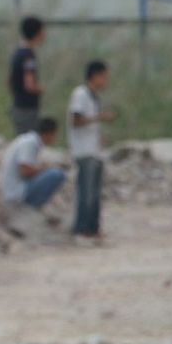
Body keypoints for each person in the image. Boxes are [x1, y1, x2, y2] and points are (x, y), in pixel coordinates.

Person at [68, 59, 114, 241]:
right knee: (86, 193)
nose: (105, 81)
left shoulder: (93, 96)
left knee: (94, 194)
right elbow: (76, 120)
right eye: (103, 77)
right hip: (84, 151)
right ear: (95, 76)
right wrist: (99, 118)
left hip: (94, 150)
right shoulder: (80, 94)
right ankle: (81, 230)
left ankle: (93, 229)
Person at [0, 116, 66, 218]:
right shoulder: (30, 143)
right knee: (56, 174)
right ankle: (31, 209)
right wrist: (43, 170)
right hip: (16, 192)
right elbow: (24, 170)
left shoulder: (29, 140)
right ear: (49, 133)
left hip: (13, 189)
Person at [8, 16, 46, 136]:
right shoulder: (28, 56)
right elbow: (29, 85)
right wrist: (40, 89)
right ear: (37, 33)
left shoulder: (17, 52)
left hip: (17, 106)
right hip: (27, 109)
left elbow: (9, 80)